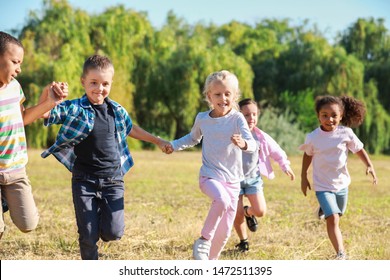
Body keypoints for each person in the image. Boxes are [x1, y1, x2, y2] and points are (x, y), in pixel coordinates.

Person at [40, 54, 171, 260]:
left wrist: (158, 141)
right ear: (83, 81)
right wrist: (48, 94)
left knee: (113, 232)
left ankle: (101, 220)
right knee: (88, 236)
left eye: (105, 83)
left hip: (113, 180)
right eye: (93, 83)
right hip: (84, 180)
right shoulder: (74, 108)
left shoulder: (116, 110)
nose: (99, 89)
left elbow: (131, 129)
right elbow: (46, 113)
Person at [165, 70, 256, 260]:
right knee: (221, 200)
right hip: (209, 176)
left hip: (233, 182)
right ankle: (203, 240)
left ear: (234, 95)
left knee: (224, 232)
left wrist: (244, 144)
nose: (223, 98)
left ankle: (209, 263)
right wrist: (173, 145)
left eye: (227, 94)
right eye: (217, 94)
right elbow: (192, 138)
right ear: (209, 96)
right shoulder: (203, 119)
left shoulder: (237, 118)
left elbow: (252, 144)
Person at [0, 31, 67, 240]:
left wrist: (51, 101)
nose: (19, 68)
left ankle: (5, 200)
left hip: (15, 169)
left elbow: (24, 118)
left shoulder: (14, 88)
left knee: (28, 223)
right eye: (15, 62)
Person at [299, 95, 378, 260]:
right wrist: (303, 176)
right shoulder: (313, 137)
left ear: (341, 116)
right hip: (322, 186)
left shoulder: (346, 133)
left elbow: (359, 149)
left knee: (338, 213)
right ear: (318, 116)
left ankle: (325, 209)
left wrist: (369, 165)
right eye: (324, 115)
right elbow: (307, 155)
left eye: (334, 115)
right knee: (333, 219)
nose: (329, 119)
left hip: (342, 184)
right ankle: (341, 254)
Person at [233, 98, 295, 252]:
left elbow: (277, 151)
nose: (251, 118)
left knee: (260, 211)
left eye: (254, 114)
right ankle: (243, 241)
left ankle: (249, 213)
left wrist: (285, 166)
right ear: (238, 116)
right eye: (246, 115)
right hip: (233, 180)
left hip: (253, 179)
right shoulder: (232, 134)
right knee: (237, 213)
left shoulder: (260, 137)